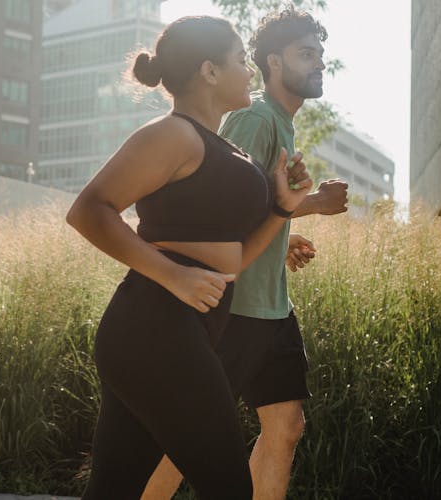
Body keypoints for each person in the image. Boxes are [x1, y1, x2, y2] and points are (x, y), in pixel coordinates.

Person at [66, 15, 314, 500]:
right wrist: (174, 276)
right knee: (227, 485)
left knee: (113, 491)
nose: (249, 72)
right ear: (209, 71)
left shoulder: (222, 147)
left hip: (179, 328)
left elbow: (236, 259)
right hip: (154, 325)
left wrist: (283, 206)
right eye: (241, 61)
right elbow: (88, 211)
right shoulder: (174, 135)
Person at [143, 7, 349, 500]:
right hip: (235, 309)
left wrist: (280, 244)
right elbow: (218, 203)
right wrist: (316, 204)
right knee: (186, 438)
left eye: (320, 55)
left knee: (286, 427)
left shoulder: (282, 122)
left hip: (273, 307)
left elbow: (260, 208)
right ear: (273, 62)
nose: (318, 63)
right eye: (306, 54)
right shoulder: (256, 119)